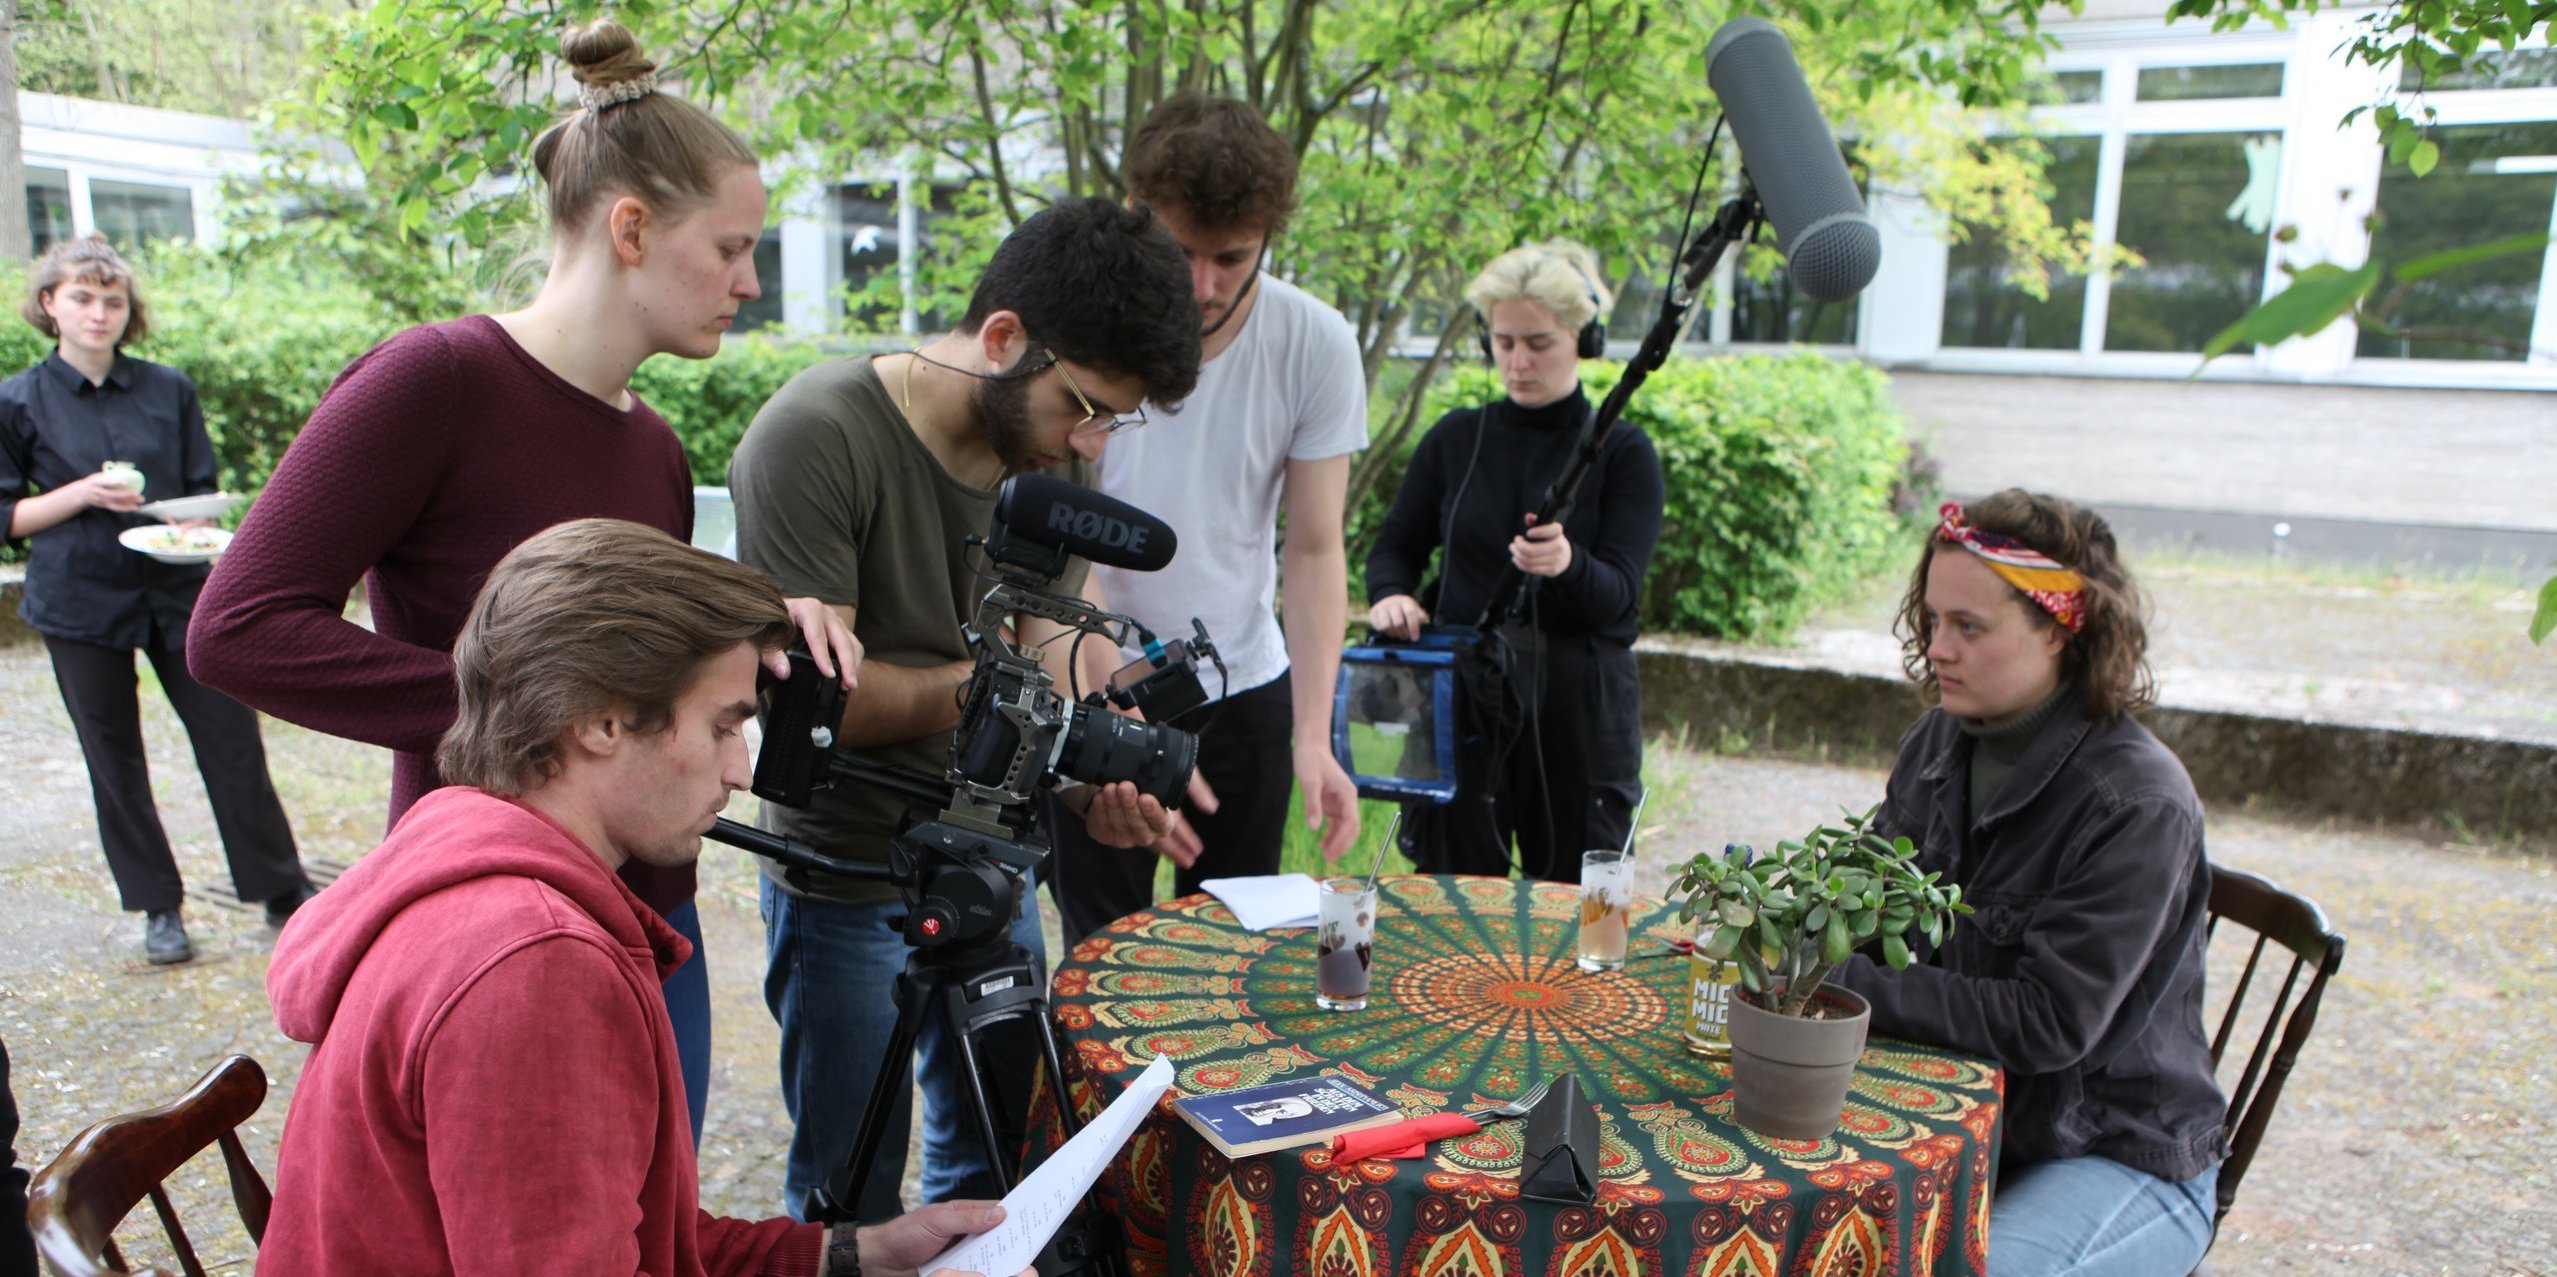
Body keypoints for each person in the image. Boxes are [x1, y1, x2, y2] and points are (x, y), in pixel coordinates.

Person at [189, 20, 858, 1145]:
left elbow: (623, 659)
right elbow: (239, 630)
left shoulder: (652, 444)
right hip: (492, 931)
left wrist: (745, 628)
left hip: (649, 917)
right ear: (632, 228)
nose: (750, 281)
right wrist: (530, 723)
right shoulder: (436, 378)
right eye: (733, 247)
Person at [258, 519, 1015, 1277]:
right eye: (723, 726)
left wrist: (854, 1252)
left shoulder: (459, 851)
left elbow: (631, 1235)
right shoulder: (536, 962)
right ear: (601, 720)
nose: (740, 771)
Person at [728, 197, 1199, 1222]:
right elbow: (821, 711)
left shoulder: (1047, 470)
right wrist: (1009, 699)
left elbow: (1050, 647)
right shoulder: (815, 437)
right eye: (1083, 407)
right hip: (848, 871)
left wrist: (1097, 769)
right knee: (851, 1191)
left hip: (992, 865)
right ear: (1001, 340)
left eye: (1111, 421)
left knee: (997, 1180)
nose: (1088, 442)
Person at [1828, 491, 2225, 1277]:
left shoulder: (2136, 800)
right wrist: (1764, 928)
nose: (1937, 647)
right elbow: (1858, 899)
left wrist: (1830, 978)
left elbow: (2047, 1022)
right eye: (1932, 619)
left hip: (2110, 1149)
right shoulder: (1942, 739)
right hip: (1968, 1121)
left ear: (2057, 629)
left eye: (1968, 627)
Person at [1041, 91, 1368, 943]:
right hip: (1094, 672)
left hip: (1244, 686)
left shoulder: (1315, 341)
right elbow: (1053, 530)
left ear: (1269, 237)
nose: (1201, 285)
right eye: (1180, 251)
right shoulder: (1081, 327)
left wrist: (1312, 735)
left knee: (1232, 951)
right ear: (1137, 216)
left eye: (1232, 257)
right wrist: (1097, 683)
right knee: (1099, 951)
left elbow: (1313, 546)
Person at [0, 234, 313, 965]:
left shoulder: (170, 387)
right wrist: (79, 493)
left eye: (112, 300)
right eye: (82, 297)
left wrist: (196, 519)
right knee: (114, 757)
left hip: (179, 588)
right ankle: (158, 907)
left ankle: (280, 886)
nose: (99, 312)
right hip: (79, 600)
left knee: (232, 738)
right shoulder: (16, 400)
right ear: (50, 305)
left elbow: (195, 488)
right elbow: (6, 518)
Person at [1363, 240, 1664, 883]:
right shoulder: (1454, 439)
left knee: (1577, 904)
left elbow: (1620, 595)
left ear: (1583, 341)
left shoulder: (1625, 452)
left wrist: (1568, 564)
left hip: (1581, 708)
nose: (1518, 361)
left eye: (1538, 342)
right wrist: (1392, 592)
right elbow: (1395, 545)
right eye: (1503, 342)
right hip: (1467, 701)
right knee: (1455, 896)